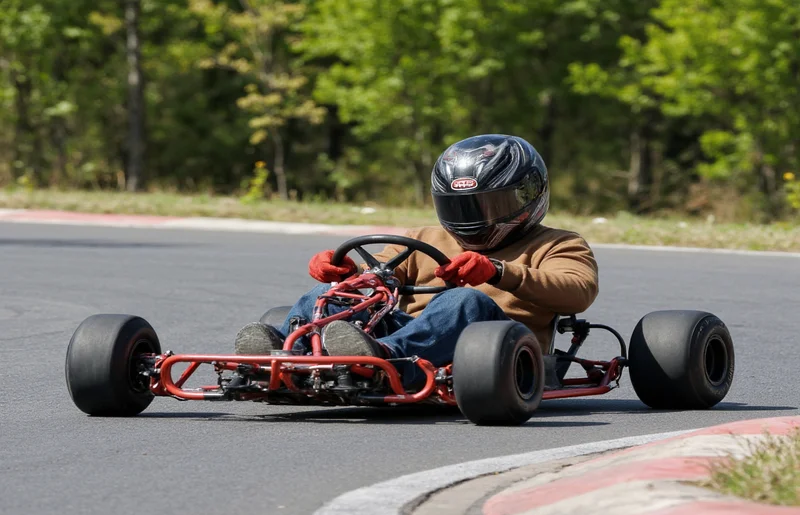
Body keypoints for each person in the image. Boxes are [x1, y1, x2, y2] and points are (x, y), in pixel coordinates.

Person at [234, 134, 599, 383]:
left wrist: (499, 272)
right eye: (460, 206)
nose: (474, 216)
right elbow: (377, 271)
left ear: (527, 196)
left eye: (490, 204)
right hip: (408, 337)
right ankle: (283, 358)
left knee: (462, 299)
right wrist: (345, 272)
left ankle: (382, 361)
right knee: (328, 296)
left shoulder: (557, 243)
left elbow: (578, 291)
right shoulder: (423, 238)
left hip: (493, 351)